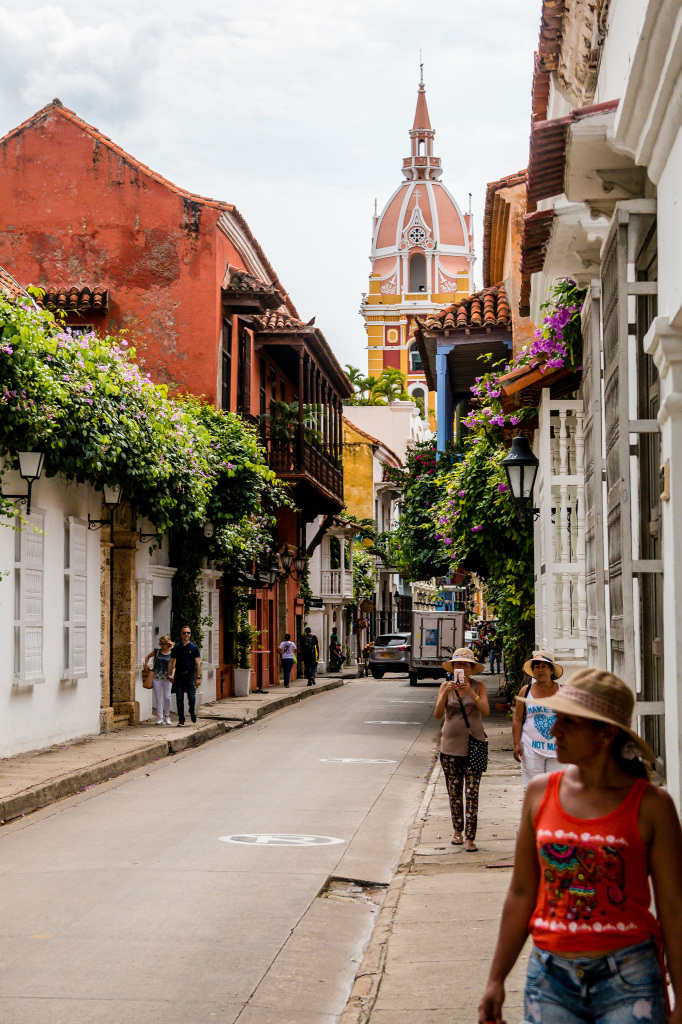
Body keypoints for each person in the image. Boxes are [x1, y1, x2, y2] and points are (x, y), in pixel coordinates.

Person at [479, 667, 682, 1024]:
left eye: (569, 723)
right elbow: (523, 891)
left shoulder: (652, 806)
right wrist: (496, 979)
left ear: (605, 733)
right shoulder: (540, 793)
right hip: (550, 978)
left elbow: (673, 908)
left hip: (631, 976)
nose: (554, 730)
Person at [434, 647, 490, 852]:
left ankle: (470, 837)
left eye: (465, 664)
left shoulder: (479, 686)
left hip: (474, 745)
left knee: (472, 793)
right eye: (458, 664)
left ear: (471, 668)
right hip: (449, 748)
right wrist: (445, 693)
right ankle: (457, 831)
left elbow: (485, 710)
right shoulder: (445, 686)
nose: (462, 668)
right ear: (453, 667)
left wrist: (471, 693)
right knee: (454, 792)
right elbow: (438, 715)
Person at [512, 650, 563, 790]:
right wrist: (516, 744)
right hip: (531, 749)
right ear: (533, 671)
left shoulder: (564, 691)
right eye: (537, 666)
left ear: (551, 670)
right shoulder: (526, 691)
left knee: (556, 790)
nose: (540, 670)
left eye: (544, 666)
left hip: (558, 749)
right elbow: (517, 719)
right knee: (533, 790)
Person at [168, 626, 201, 727]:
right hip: (179, 675)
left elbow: (198, 663)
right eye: (184, 633)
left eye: (188, 633)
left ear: (190, 634)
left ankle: (191, 710)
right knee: (179, 698)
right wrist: (169, 674)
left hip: (190, 674)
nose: (186, 635)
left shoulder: (194, 648)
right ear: (181, 635)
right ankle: (181, 719)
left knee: (191, 697)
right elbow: (171, 662)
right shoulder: (176, 648)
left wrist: (198, 677)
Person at [144, 635, 174, 725]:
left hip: (167, 678)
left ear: (167, 644)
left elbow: (173, 667)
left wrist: (172, 675)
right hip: (156, 677)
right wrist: (146, 664)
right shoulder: (157, 651)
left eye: (163, 644)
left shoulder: (172, 654)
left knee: (167, 697)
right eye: (160, 644)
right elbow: (147, 656)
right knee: (158, 698)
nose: (161, 646)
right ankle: (160, 717)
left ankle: (167, 716)